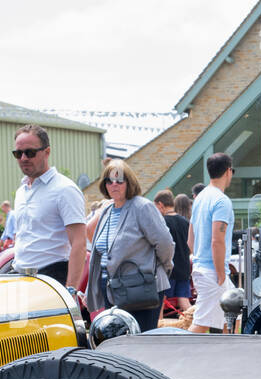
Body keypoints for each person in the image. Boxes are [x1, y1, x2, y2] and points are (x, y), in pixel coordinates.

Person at [84, 160, 173, 331]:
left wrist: (164, 267)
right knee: (117, 339)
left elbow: (165, 244)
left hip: (139, 288)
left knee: (140, 340)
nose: (114, 185)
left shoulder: (142, 207)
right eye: (109, 181)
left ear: (129, 182)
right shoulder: (108, 211)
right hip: (112, 289)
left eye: (119, 180)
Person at [10, 124, 87, 290]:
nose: (23, 158)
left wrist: (71, 290)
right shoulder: (21, 191)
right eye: (18, 153)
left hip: (52, 278)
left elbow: (79, 243)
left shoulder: (65, 189)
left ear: (47, 152)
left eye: (30, 152)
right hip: (20, 276)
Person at [190, 152, 236, 332]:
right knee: (201, 323)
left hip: (203, 267)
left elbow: (190, 239)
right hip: (213, 271)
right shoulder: (221, 201)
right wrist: (220, 273)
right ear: (228, 171)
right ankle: (179, 357)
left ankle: (226, 356)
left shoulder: (200, 198)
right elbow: (218, 240)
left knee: (232, 317)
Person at [154, 188, 192, 312]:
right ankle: (194, 327)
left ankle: (157, 329)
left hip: (168, 269)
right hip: (184, 267)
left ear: (161, 205)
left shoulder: (162, 222)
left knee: (160, 303)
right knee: (184, 301)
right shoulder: (185, 222)